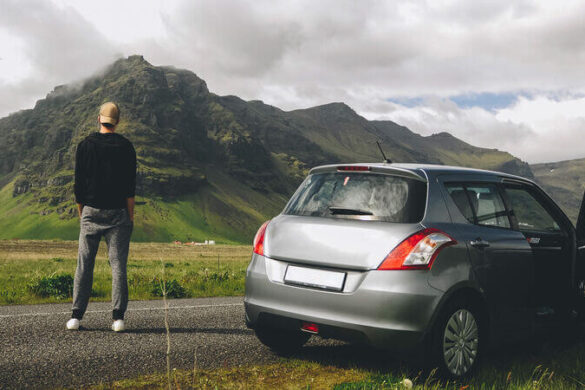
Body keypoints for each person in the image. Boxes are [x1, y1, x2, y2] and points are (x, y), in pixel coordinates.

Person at [66, 102, 136, 332]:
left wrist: (82, 214)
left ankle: (76, 316)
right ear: (118, 122)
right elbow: (129, 188)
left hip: (90, 211)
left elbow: (78, 186)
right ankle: (118, 318)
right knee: (118, 265)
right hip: (118, 214)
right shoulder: (126, 147)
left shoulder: (85, 145)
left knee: (84, 265)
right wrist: (130, 217)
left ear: (99, 119)